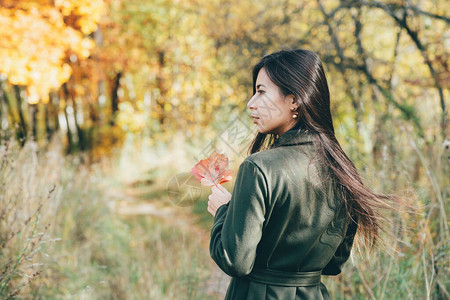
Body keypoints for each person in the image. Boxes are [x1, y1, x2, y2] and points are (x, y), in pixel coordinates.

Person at [207, 49, 393, 299]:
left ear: (294, 100)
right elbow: (334, 262)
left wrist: (223, 212)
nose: (251, 103)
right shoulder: (342, 168)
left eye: (261, 91)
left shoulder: (258, 167)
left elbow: (235, 261)